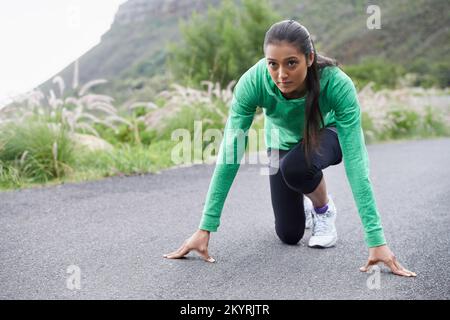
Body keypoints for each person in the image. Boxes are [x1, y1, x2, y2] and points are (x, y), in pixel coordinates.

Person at [164, 20, 416, 277]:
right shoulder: (253, 83)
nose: (281, 74)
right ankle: (307, 198)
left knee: (296, 168)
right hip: (280, 143)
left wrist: (377, 240)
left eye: (291, 63)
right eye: (273, 64)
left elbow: (356, 162)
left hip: (328, 134)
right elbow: (231, 152)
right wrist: (205, 228)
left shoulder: (336, 84)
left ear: (309, 58)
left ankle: (323, 209)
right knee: (288, 234)